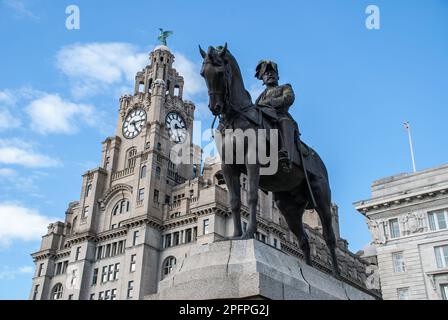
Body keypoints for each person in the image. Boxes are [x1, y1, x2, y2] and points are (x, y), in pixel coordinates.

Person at [255, 60, 298, 171]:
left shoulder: (285, 87)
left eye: (272, 72)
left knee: (284, 121)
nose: (269, 74)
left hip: (280, 116)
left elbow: (288, 98)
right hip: (264, 119)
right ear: (262, 80)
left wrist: (269, 103)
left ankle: (286, 155)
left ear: (278, 76)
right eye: (266, 73)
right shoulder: (259, 97)